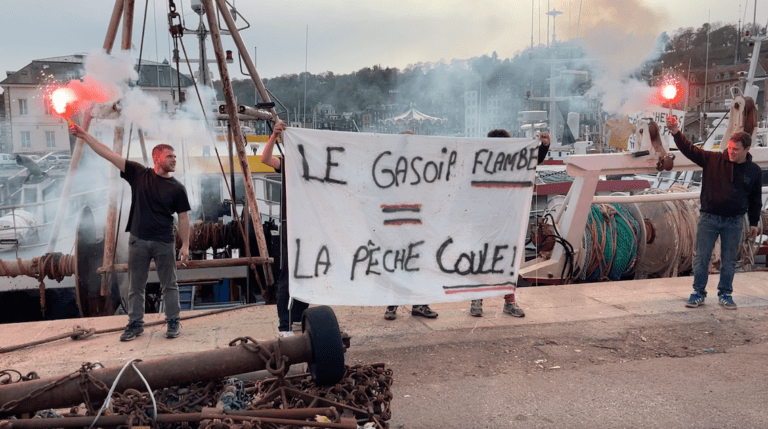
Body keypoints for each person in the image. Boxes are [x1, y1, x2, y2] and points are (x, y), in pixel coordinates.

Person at [69, 123, 191, 341]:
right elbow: (108, 153)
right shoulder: (138, 174)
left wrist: (185, 245)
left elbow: (183, 217)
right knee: (136, 286)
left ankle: (173, 322)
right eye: (170, 156)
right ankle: (135, 325)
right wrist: (85, 135)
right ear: (157, 158)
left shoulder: (177, 188)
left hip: (164, 242)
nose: (174, 160)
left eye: (174, 157)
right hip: (138, 242)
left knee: (170, 285)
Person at [667, 116, 762, 310]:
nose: (731, 152)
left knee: (729, 260)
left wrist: (753, 223)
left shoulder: (754, 171)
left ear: (747, 150)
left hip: (734, 222)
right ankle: (698, 293)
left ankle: (725, 294)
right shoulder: (712, 159)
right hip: (709, 218)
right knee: (702, 257)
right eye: (729, 147)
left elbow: (755, 199)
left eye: (736, 149)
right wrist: (676, 132)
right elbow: (690, 150)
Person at [470, 128, 551, 318]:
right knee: (483, 259)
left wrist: (545, 145)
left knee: (506, 260)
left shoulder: (513, 162)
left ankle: (506, 301)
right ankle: (478, 299)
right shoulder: (480, 162)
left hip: (505, 220)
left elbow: (533, 159)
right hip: (486, 220)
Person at [384, 130, 438, 321]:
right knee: (398, 263)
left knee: (420, 264)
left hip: (418, 222)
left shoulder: (423, 164)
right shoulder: (391, 165)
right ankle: (393, 304)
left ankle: (419, 304)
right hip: (398, 222)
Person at [261, 121, 310, 337]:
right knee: (288, 276)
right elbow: (265, 159)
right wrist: (274, 136)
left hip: (312, 228)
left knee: (307, 274)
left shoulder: (315, 167)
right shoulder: (288, 163)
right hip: (292, 227)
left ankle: (299, 320)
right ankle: (285, 326)